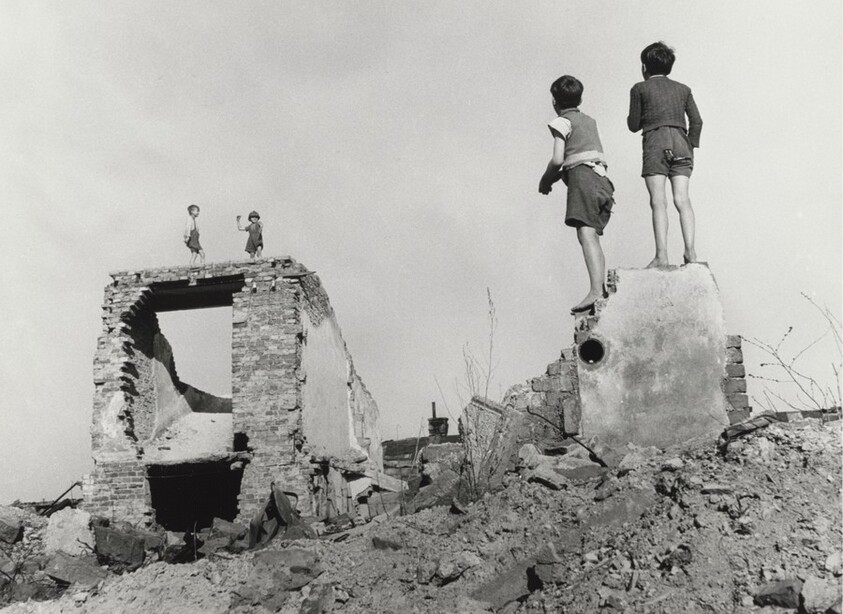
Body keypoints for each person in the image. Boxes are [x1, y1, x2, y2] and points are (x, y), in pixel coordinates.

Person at [539, 75, 616, 315]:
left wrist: (545, 179)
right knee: (591, 234)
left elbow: (558, 159)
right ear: (580, 98)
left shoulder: (562, 122)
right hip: (602, 180)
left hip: (584, 180)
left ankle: (595, 289)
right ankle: (600, 289)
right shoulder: (590, 121)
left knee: (586, 234)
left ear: (554, 101)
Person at [627, 41, 703, 267]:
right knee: (683, 199)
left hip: (655, 142)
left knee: (658, 201)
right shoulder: (683, 89)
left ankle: (661, 255)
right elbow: (697, 121)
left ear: (644, 67)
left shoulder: (639, 88)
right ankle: (690, 253)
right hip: (681, 142)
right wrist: (690, 144)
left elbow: (633, 124)